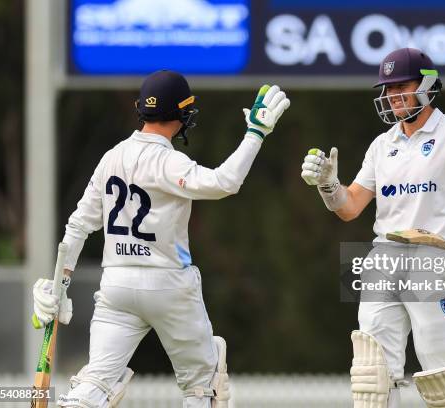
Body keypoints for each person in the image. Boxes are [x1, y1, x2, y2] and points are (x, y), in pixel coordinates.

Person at [31, 70, 290, 408]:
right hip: (169, 284)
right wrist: (255, 133)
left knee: (96, 382)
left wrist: (59, 283)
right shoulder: (169, 161)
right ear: (181, 114)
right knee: (202, 387)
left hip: (117, 285)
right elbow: (225, 182)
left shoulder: (112, 157)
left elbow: (78, 225)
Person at [300, 48, 445, 407]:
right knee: (373, 374)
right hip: (383, 257)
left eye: (402, 86)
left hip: (434, 258)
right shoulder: (382, 146)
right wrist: (329, 187)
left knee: (440, 374)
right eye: (388, 87)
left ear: (426, 86)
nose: (392, 95)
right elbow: (350, 208)